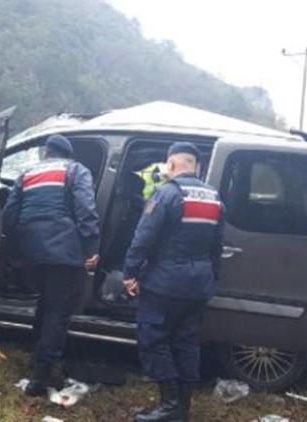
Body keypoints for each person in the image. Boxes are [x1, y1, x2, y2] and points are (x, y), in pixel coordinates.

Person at [123, 142, 224, 422]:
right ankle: (183, 408)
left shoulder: (166, 194)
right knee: (187, 343)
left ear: (170, 165)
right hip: (199, 284)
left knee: (153, 337)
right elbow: (217, 246)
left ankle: (168, 406)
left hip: (165, 283)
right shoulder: (214, 198)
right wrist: (211, 278)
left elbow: (144, 237)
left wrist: (130, 272)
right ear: (196, 166)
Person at [2, 134, 101, 396]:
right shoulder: (76, 170)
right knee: (58, 312)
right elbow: (86, 209)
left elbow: (10, 214)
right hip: (64, 252)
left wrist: (14, 249)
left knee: (44, 304)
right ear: (68, 154)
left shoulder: (27, 174)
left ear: (47, 153)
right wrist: (91, 247)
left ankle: (36, 360)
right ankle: (41, 377)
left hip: (32, 252)